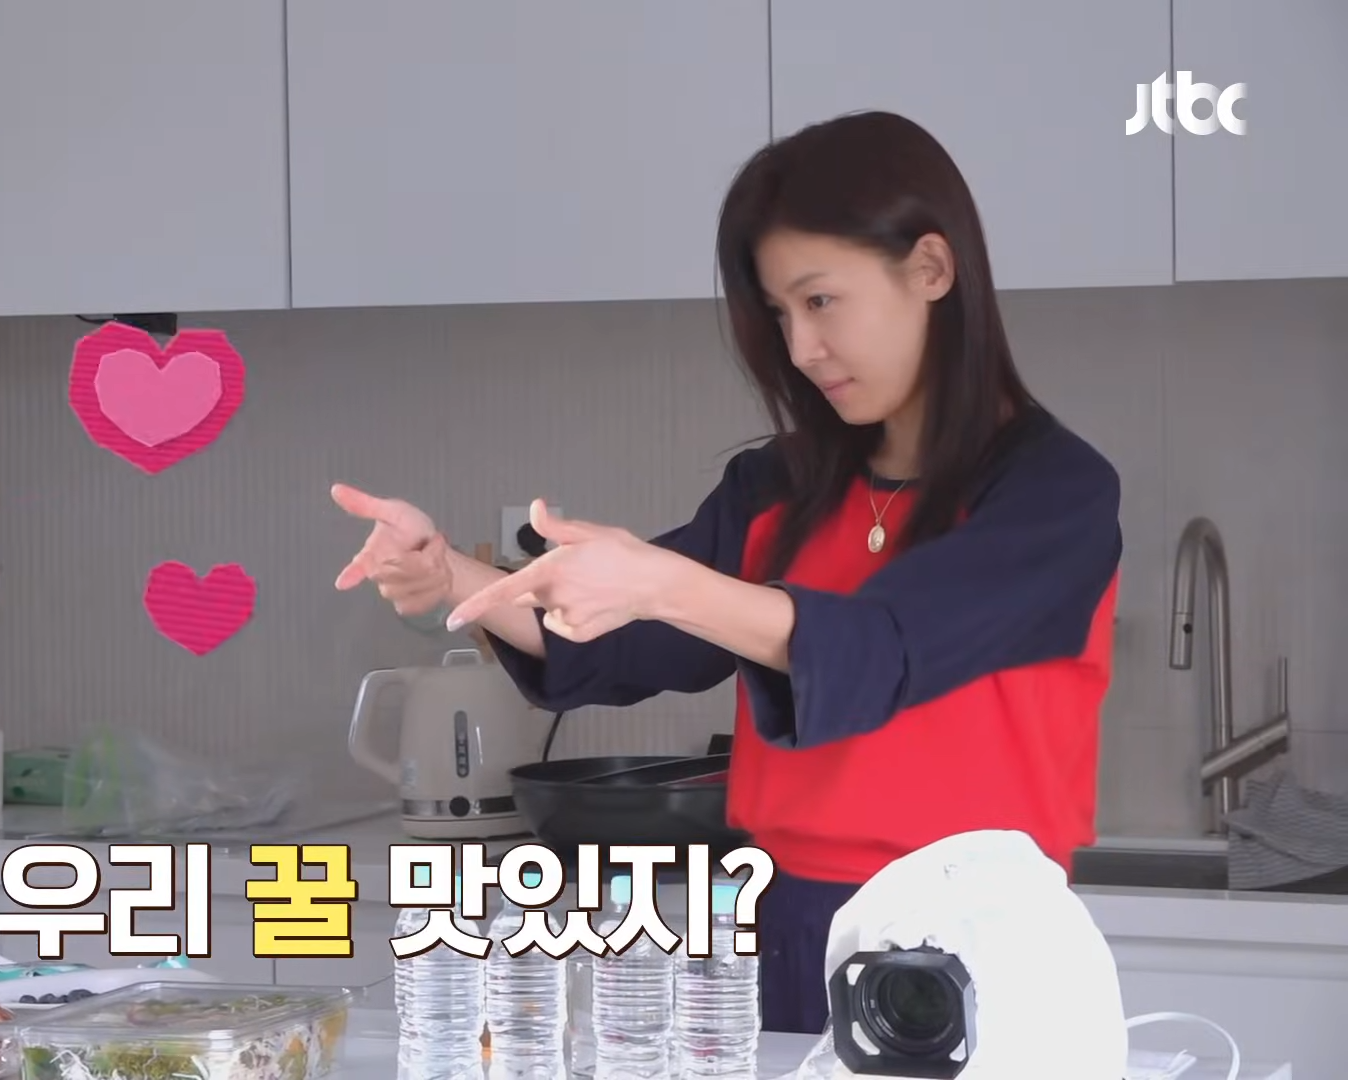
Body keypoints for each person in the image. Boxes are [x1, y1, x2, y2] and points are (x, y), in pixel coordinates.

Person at [329, 110, 1122, 1036]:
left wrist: (663, 581)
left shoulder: (1052, 494)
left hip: (979, 938)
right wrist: (455, 577)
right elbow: (629, 642)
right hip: (782, 918)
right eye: (780, 314)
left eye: (820, 301)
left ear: (931, 270)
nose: (800, 349)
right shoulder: (778, 486)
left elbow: (885, 646)